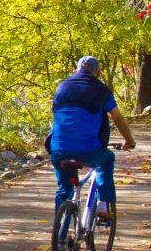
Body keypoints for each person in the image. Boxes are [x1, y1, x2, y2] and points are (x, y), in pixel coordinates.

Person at [48, 56, 136, 218]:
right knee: (107, 159)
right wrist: (129, 141)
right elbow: (117, 118)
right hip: (88, 149)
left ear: (77, 69)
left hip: (58, 148)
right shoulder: (102, 91)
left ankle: (60, 236)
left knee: (64, 190)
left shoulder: (62, 87)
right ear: (98, 72)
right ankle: (103, 204)